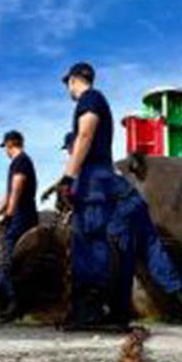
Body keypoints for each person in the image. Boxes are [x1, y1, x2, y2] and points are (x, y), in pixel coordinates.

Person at [58, 133, 182, 324]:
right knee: (155, 254)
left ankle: (119, 312)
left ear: (74, 147)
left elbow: (93, 209)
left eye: (69, 149)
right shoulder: (102, 164)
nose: (69, 154)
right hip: (137, 204)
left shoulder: (85, 168)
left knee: (121, 259)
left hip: (122, 210)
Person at [55, 62, 123, 330]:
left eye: (68, 84)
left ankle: (93, 311)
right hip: (95, 177)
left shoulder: (90, 98)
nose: (68, 90)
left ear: (74, 80)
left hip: (93, 177)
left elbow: (85, 133)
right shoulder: (95, 100)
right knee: (89, 240)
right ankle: (93, 309)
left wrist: (68, 177)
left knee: (91, 239)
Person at [0, 130, 39, 321]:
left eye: (5, 148)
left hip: (22, 215)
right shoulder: (20, 163)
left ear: (9, 144)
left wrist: (8, 214)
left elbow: (17, 188)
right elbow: (8, 194)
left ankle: (9, 303)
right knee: (12, 259)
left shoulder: (20, 161)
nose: (5, 152)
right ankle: (9, 303)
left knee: (5, 259)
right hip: (21, 213)